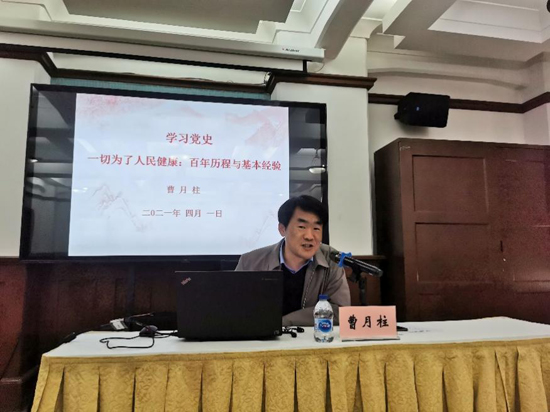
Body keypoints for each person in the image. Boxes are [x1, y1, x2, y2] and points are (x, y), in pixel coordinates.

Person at [236, 195, 350, 326]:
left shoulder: (332, 259)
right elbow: (234, 307)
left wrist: (284, 322)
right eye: (301, 227)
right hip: (262, 335)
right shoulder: (250, 262)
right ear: (282, 229)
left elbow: (339, 311)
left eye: (316, 228)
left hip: (313, 337)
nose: (309, 236)